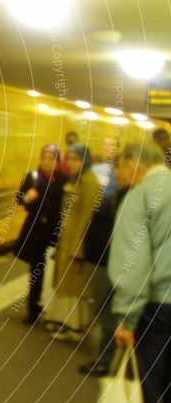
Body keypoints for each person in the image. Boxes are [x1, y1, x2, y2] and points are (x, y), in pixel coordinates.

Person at [108, 142, 171, 403]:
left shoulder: (141, 196)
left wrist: (126, 316)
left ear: (136, 164)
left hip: (158, 307)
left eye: (120, 165)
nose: (118, 173)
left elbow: (133, 263)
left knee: (149, 387)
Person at [78, 152, 132, 376]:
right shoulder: (119, 193)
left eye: (122, 167)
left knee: (108, 312)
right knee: (105, 311)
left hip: (110, 262)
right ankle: (108, 358)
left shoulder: (131, 197)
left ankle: (105, 361)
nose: (117, 172)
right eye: (116, 167)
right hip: (102, 260)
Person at [42, 143, 102, 341]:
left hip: (77, 242)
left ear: (85, 160)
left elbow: (87, 216)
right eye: (69, 159)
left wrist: (79, 247)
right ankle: (65, 323)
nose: (72, 163)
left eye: (76, 159)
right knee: (65, 285)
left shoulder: (90, 182)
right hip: (66, 240)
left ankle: (74, 327)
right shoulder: (76, 180)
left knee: (74, 286)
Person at [13, 144, 67, 324]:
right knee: (37, 268)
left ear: (58, 161)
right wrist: (28, 197)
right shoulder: (33, 177)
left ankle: (53, 306)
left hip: (55, 230)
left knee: (56, 268)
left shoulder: (64, 180)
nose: (47, 162)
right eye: (45, 158)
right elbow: (19, 199)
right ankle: (33, 308)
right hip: (36, 230)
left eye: (52, 159)